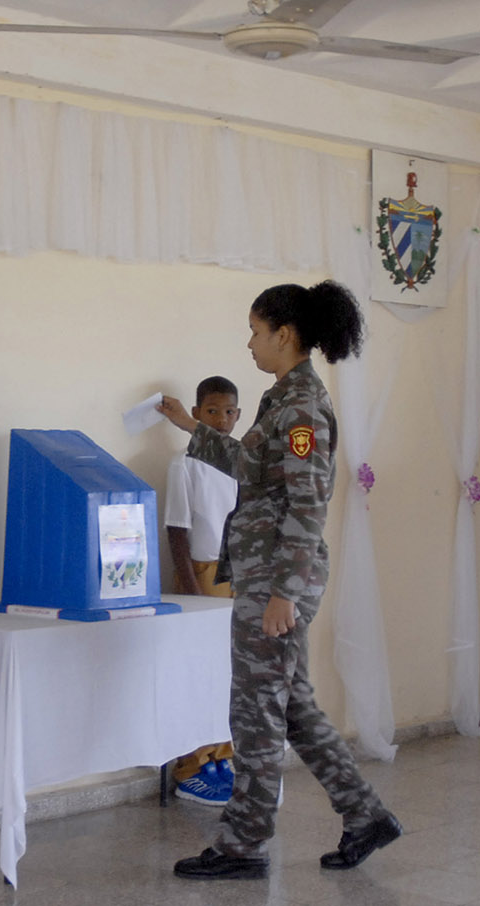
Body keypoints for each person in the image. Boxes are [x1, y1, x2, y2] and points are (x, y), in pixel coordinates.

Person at [157, 281, 401, 881]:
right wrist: (192, 426)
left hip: (278, 581)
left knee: (256, 712)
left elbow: (309, 500)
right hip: (272, 575)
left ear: (284, 335)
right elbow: (248, 466)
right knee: (291, 707)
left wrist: (285, 594)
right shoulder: (282, 399)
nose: (249, 343)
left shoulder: (300, 408)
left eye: (255, 331)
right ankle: (365, 814)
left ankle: (243, 843)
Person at [164, 376, 241, 807]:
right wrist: (191, 592)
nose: (222, 419)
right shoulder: (185, 463)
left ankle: (222, 756)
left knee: (228, 671)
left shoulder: (238, 462)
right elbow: (177, 529)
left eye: (229, 412)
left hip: (236, 572)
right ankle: (193, 765)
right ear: (195, 414)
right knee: (199, 669)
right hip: (201, 574)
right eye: (212, 411)